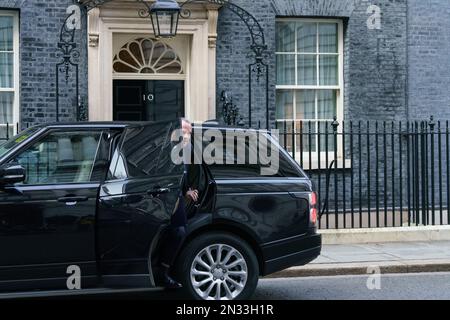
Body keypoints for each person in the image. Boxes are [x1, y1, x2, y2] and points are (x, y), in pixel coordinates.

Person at [159, 119, 200, 289]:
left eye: (189, 133)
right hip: (163, 198)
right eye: (183, 131)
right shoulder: (165, 150)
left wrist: (188, 190)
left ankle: (165, 270)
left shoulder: (188, 152)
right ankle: (161, 269)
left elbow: (188, 176)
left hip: (177, 199)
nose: (186, 135)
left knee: (180, 231)